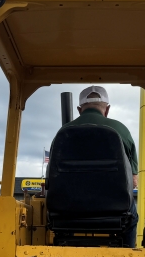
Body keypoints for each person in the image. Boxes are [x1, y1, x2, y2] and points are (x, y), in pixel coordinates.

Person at [57, 85, 139, 247]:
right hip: (115, 211)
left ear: (80, 110)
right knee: (133, 216)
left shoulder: (63, 132)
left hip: (68, 210)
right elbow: (133, 181)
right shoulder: (121, 131)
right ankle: (128, 251)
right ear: (106, 109)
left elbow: (54, 178)